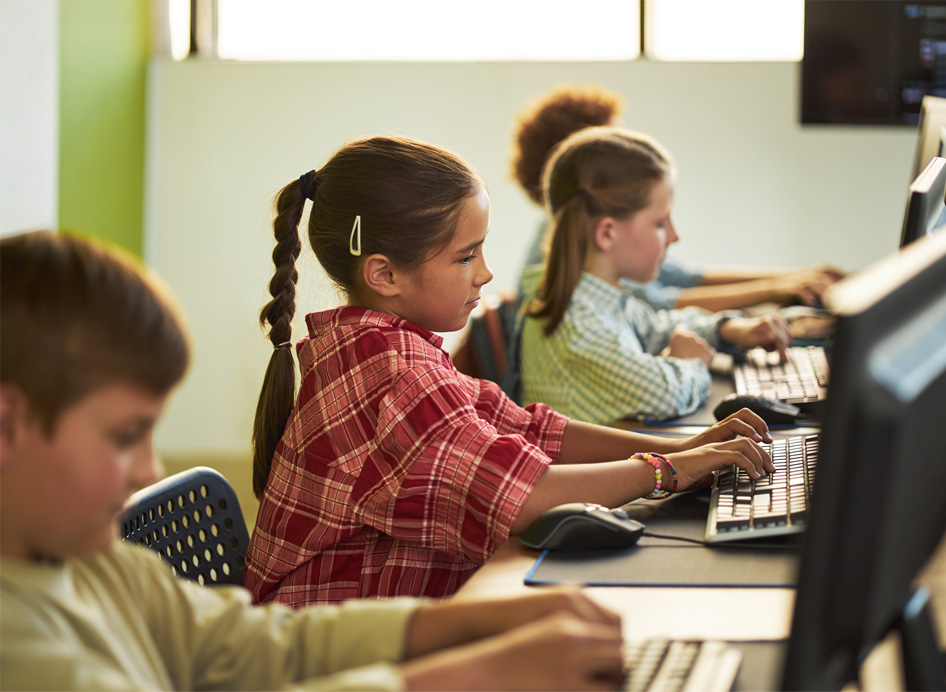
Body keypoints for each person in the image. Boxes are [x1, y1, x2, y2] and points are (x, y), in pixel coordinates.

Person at [0, 229, 633, 692]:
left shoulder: (101, 568)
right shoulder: (17, 647)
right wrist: (477, 673)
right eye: (124, 436)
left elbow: (253, 645)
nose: (146, 470)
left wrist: (467, 624)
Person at [246, 135, 776, 606]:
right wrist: (666, 472)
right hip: (341, 658)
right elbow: (523, 496)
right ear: (384, 274)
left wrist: (682, 448)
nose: (486, 273)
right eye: (465, 257)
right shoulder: (392, 374)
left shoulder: (389, 348)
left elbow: (529, 430)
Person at [519, 126, 794, 425]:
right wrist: (689, 362)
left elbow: (656, 328)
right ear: (607, 233)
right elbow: (665, 394)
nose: (674, 236)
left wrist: (727, 329)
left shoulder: (598, 297)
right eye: (661, 223)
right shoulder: (577, 326)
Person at [510, 83, 844, 312]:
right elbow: (661, 304)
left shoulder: (581, 230)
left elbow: (685, 278)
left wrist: (797, 276)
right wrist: (776, 290)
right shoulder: (561, 252)